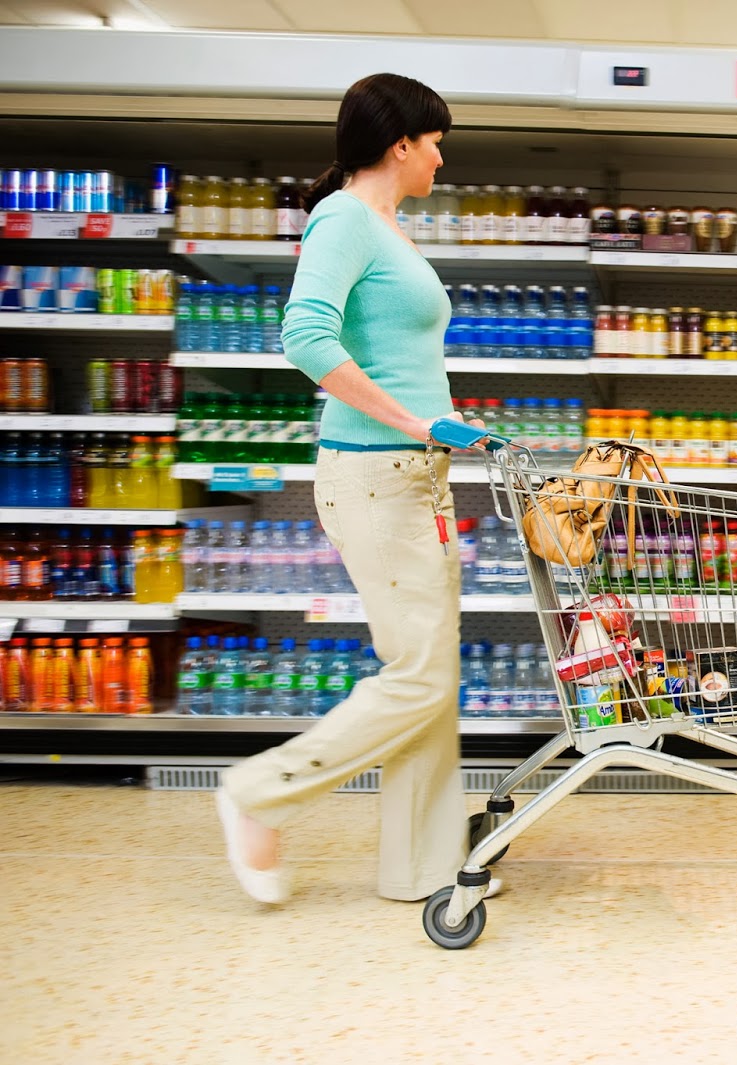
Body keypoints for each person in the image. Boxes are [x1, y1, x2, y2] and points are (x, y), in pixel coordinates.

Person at [214, 73, 491, 905]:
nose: (442, 156)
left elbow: (395, 349)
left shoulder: (387, 228)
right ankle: (259, 792)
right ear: (399, 143)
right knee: (419, 676)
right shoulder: (342, 217)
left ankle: (424, 866)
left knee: (429, 671)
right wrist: (414, 424)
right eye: (435, 140)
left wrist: (441, 427)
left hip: (415, 479)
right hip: (377, 477)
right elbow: (304, 332)